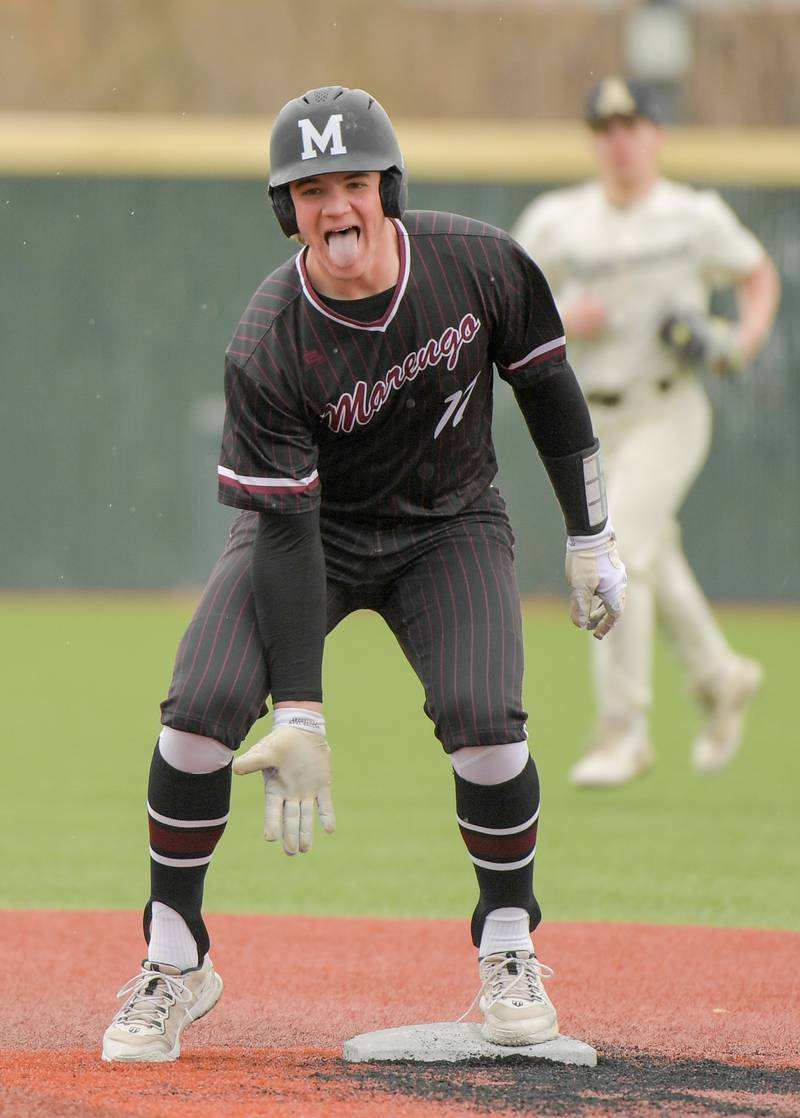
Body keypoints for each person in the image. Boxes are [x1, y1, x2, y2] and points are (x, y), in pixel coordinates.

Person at [101, 85, 626, 1063]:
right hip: (312, 530)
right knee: (198, 709)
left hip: (450, 522)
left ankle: (508, 948)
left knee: (484, 722)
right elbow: (289, 533)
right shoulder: (269, 338)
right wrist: (299, 708)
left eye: (351, 182)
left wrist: (589, 532)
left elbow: (548, 387)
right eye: (308, 190)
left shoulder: (477, 262)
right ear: (283, 209)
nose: (334, 207)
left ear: (387, 186)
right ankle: (173, 959)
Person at [511, 77, 780, 788]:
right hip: (590, 420)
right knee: (647, 552)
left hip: (668, 409)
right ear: (594, 141)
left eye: (632, 126)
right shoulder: (559, 221)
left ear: (656, 135)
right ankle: (721, 676)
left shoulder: (691, 216)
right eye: (606, 129)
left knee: (616, 544)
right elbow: (510, 305)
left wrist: (741, 342)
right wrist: (566, 315)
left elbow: (757, 276)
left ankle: (622, 729)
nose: (620, 141)